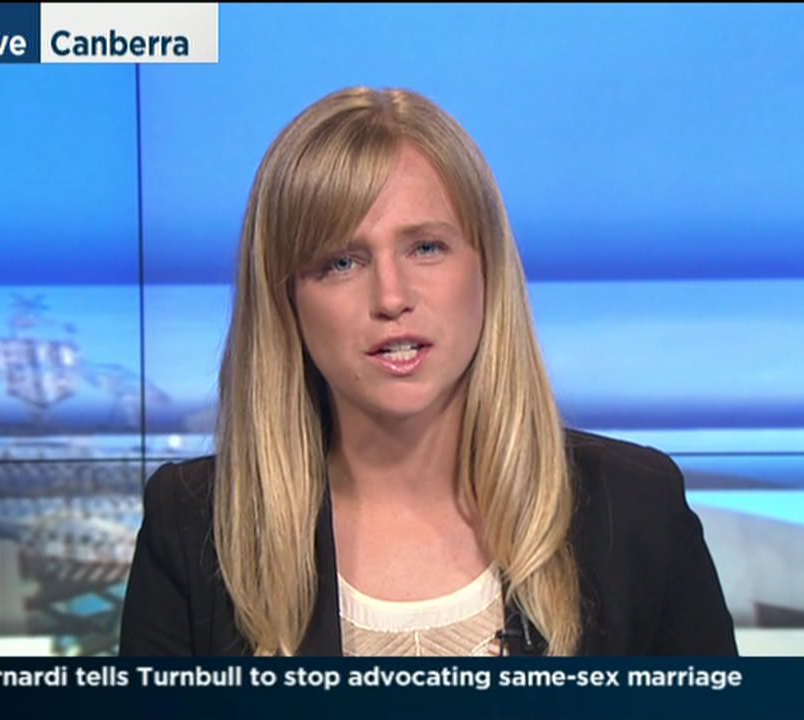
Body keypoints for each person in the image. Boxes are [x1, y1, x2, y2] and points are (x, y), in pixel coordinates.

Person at [119, 86, 737, 657]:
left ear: (486, 269)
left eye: (426, 247)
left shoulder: (634, 510)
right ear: (286, 302)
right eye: (341, 262)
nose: (391, 297)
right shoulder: (195, 527)